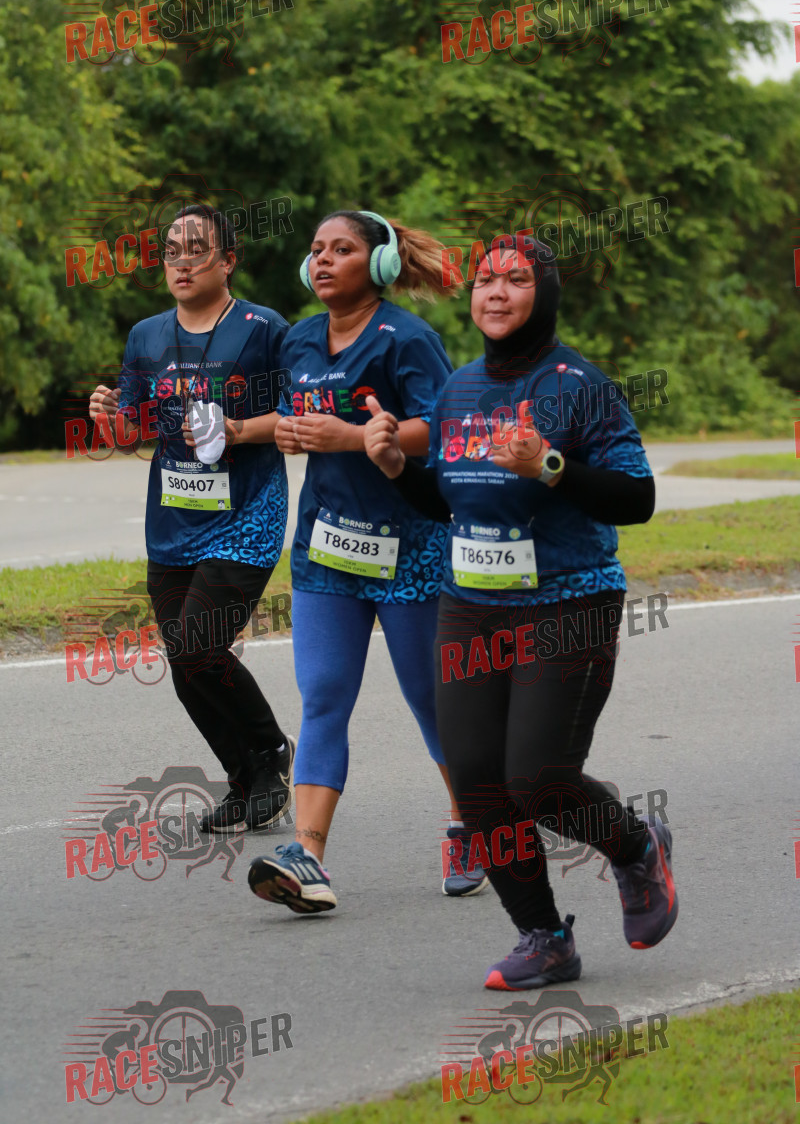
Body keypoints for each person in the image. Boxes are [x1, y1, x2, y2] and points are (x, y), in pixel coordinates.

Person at [363, 233, 677, 988]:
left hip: (568, 602)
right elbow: (447, 502)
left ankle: (635, 847)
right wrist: (397, 465)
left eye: (515, 280)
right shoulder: (459, 389)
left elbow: (637, 498)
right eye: (484, 280)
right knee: (477, 782)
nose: (495, 293)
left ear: (546, 294)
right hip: (470, 606)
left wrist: (551, 466)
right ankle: (543, 937)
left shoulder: (580, 387)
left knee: (537, 779)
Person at [247, 209, 489, 913]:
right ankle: (307, 857)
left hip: (409, 547)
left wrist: (355, 438)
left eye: (342, 249)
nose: (323, 260)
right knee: (323, 696)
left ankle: (471, 824)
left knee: (431, 700)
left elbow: (445, 430)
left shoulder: (406, 339)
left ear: (378, 264)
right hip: (326, 547)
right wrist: (287, 431)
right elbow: (295, 415)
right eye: (316, 250)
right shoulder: (297, 340)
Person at [88, 204, 295, 834]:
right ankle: (246, 780)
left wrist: (239, 429)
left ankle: (271, 749)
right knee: (186, 662)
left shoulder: (264, 329)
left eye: (196, 248)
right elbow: (132, 430)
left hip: (246, 517)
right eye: (171, 250)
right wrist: (109, 420)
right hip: (173, 522)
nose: (181, 261)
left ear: (227, 261)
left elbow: (300, 415)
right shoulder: (146, 336)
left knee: (197, 644)